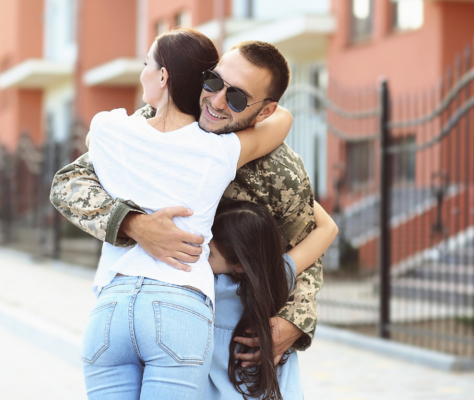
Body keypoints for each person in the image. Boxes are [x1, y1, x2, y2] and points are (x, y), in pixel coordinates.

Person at [51, 38, 323, 394]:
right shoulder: (153, 122)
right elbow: (69, 184)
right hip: (177, 319)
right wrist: (135, 225)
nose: (217, 101)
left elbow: (307, 239)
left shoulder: (280, 169)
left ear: (265, 111)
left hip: (241, 341)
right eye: (212, 81)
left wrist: (294, 320)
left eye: (237, 98)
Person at [207, 199, 337, 400]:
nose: (202, 256)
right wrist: (297, 192)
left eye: (210, 254)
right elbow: (328, 228)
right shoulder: (278, 276)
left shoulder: (211, 287)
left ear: (239, 264)